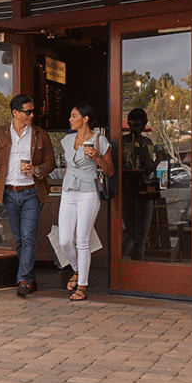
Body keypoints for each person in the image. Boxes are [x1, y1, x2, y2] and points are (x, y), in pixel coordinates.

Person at [0, 93, 58, 298]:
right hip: (9, 192)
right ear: (15, 113)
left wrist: (36, 170)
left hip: (32, 193)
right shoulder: (1, 133)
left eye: (33, 111)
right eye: (28, 112)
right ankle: (30, 278)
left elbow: (51, 163)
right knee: (18, 237)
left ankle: (23, 279)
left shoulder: (40, 135)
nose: (32, 115)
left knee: (28, 236)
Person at [57, 103, 114, 302]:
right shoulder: (67, 140)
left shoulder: (99, 140)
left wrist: (97, 156)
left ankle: (82, 285)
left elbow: (110, 171)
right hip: (68, 192)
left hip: (88, 192)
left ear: (85, 119)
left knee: (82, 240)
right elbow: (67, 168)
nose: (70, 119)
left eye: (74, 116)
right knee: (64, 240)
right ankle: (76, 269)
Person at [118, 107, 160, 261]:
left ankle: (126, 263)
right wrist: (158, 161)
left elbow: (147, 167)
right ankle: (122, 262)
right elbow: (148, 167)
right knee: (136, 234)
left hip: (134, 188)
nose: (136, 128)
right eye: (134, 124)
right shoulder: (131, 142)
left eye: (138, 125)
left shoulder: (134, 142)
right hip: (132, 188)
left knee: (137, 234)